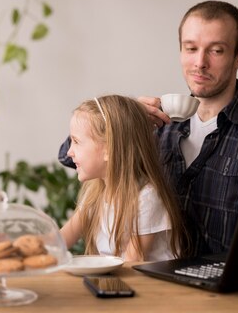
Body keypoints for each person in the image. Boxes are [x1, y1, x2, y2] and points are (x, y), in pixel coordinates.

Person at [59, 1, 238, 256]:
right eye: (191, 48)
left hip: (232, 289)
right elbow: (71, 156)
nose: (200, 62)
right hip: (161, 286)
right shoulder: (157, 125)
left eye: (217, 51)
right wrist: (120, 118)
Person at [60, 95, 190, 262]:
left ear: (109, 149)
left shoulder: (146, 198)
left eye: (76, 142)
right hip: (115, 282)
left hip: (145, 285)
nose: (69, 152)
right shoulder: (96, 191)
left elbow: (131, 265)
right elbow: (63, 238)